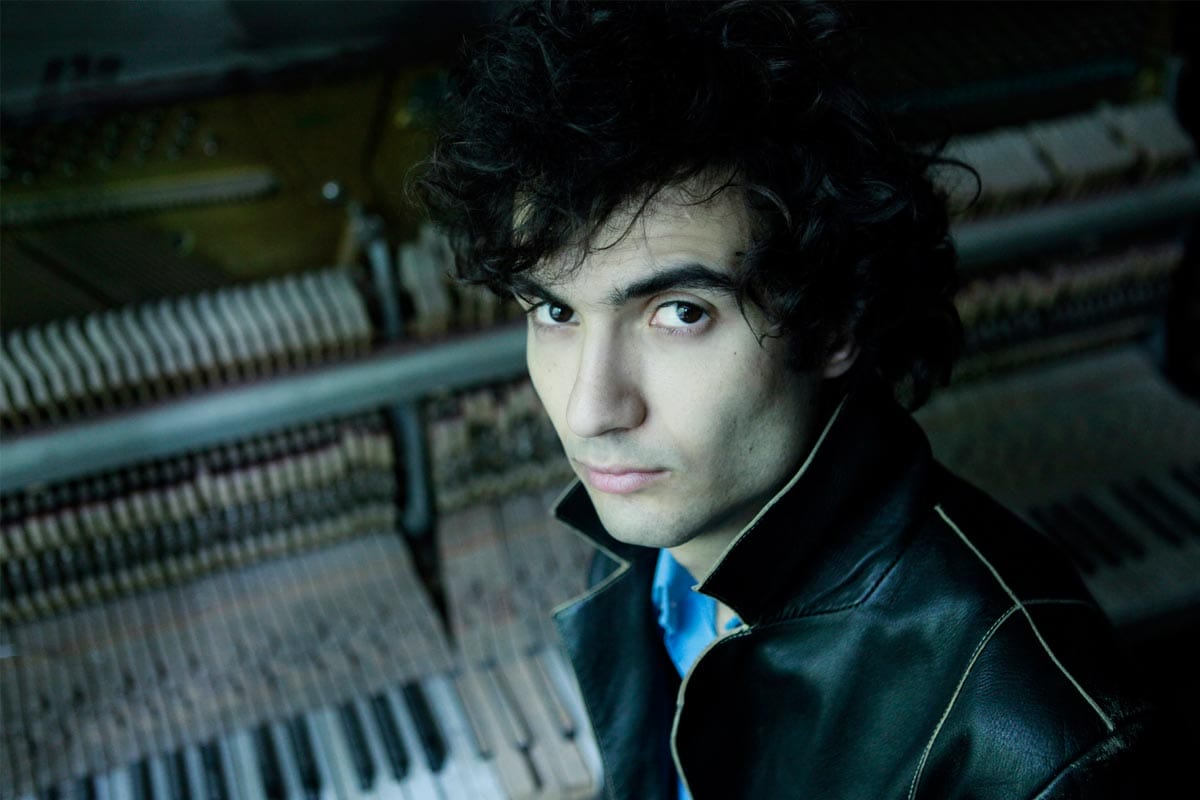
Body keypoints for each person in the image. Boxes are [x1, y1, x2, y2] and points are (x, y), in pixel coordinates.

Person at [414, 2, 1178, 797]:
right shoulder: (668, 510)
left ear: (832, 324)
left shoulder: (1047, 746)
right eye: (556, 312)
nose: (590, 411)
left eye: (680, 313)